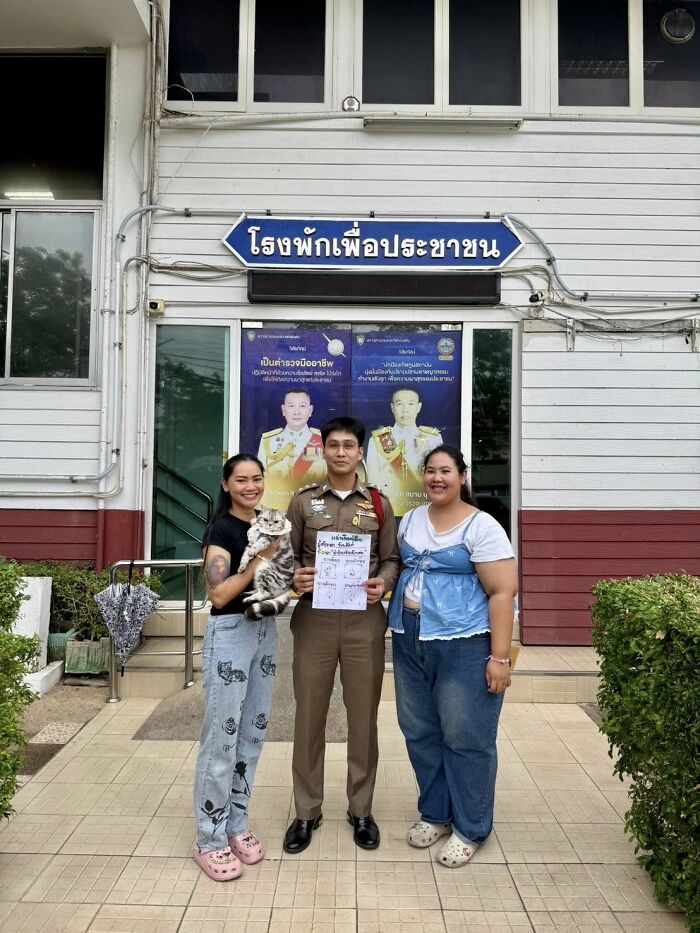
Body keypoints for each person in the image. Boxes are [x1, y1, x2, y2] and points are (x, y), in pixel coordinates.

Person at [387, 445, 517, 868]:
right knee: (419, 730)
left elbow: (503, 592)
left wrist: (499, 658)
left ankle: (471, 827)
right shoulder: (410, 520)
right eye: (430, 471)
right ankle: (436, 813)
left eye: (446, 471)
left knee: (466, 735)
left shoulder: (483, 526)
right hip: (409, 636)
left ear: (462, 476)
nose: (437, 478)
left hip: (464, 641)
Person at [283, 416, 401, 854]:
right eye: (333, 445)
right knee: (308, 717)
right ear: (323, 450)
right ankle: (306, 811)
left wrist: (383, 583)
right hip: (314, 619)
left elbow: (392, 558)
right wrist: (296, 577)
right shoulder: (302, 502)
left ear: (360, 452)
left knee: (363, 718)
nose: (340, 452)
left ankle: (361, 809)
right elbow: (285, 557)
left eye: (349, 445)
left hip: (363, 621)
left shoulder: (379, 503)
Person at [192, 453, 282, 882]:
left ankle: (236, 825)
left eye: (257, 479)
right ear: (226, 484)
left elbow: (275, 577)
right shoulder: (222, 529)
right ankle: (208, 839)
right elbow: (219, 594)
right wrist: (256, 564)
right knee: (221, 739)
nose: (251, 486)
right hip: (230, 633)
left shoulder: (266, 524)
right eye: (241, 480)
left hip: (265, 629)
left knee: (252, 734)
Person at [365, 386, 443, 513]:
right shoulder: (378, 440)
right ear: (392, 407)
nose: (405, 409)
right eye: (399, 404)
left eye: (410, 404)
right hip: (389, 509)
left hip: (424, 508)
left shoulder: (433, 438)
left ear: (418, 407)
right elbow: (373, 481)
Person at [257, 389, 325, 506]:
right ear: (283, 410)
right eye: (291, 406)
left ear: (310, 410)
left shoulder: (323, 441)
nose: (297, 412)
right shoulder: (268, 441)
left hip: (313, 508)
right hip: (276, 508)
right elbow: (259, 479)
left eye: (302, 406)